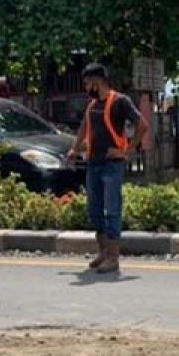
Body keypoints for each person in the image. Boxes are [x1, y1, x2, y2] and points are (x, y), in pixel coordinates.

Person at [67, 63, 150, 274]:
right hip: (93, 163)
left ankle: (113, 257)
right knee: (94, 210)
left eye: (87, 83)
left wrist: (127, 151)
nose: (86, 87)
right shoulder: (92, 104)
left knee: (112, 209)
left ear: (96, 82)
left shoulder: (120, 101)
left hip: (112, 165)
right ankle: (103, 252)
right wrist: (75, 149)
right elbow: (85, 127)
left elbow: (142, 126)